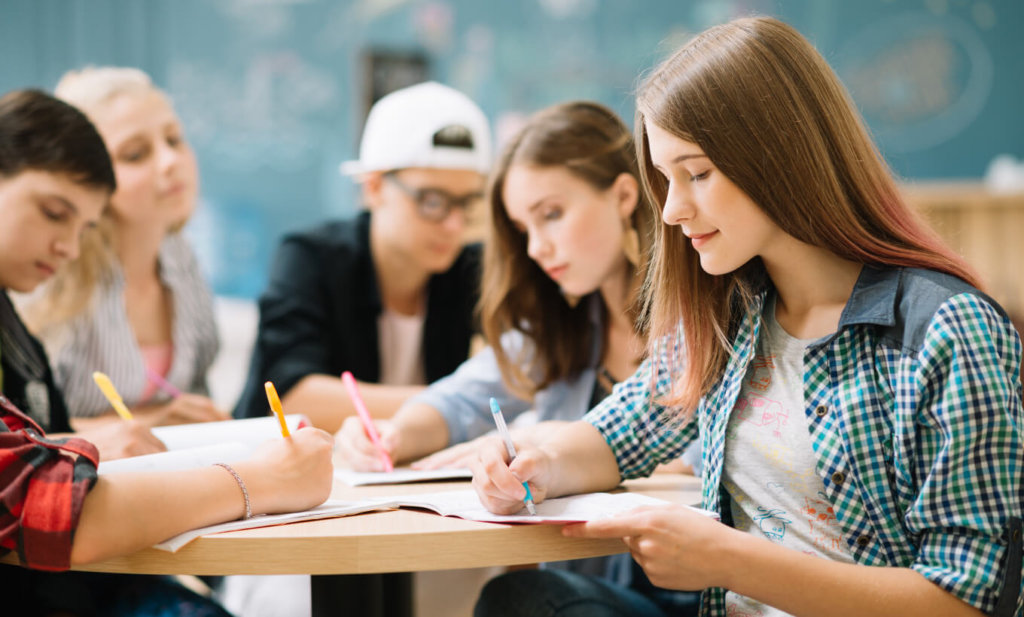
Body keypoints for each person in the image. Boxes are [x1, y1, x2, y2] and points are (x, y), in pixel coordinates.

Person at [471, 16, 1023, 617]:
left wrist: (729, 561)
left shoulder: (946, 329)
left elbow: (973, 601)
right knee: (523, 599)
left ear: (780, 156)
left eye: (698, 174)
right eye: (666, 180)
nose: (675, 210)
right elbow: (619, 434)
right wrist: (537, 464)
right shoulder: (730, 314)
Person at [336, 100, 697, 615]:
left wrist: (546, 445)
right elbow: (461, 398)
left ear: (622, 194)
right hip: (599, 587)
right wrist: (391, 436)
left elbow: (708, 464)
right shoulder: (562, 324)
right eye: (523, 229)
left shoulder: (700, 319)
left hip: (691, 590)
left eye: (551, 215)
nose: (535, 248)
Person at [0, 88, 334, 617]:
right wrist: (262, 481)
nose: (66, 246)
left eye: (81, 227)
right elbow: (48, 504)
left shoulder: (180, 267)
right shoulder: (41, 294)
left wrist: (76, 443)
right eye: (53, 213)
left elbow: (32, 451)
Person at [234, 81, 491, 433]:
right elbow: (291, 398)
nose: (454, 225)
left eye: (469, 203)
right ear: (373, 187)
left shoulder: (470, 268)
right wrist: (457, 403)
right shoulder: (311, 257)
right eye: (433, 201)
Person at [21, 66, 224, 431]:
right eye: (135, 155)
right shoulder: (47, 272)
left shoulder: (180, 257)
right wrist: (149, 423)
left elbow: (196, 391)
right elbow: (24, 431)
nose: (170, 162)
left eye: (174, 140)